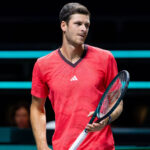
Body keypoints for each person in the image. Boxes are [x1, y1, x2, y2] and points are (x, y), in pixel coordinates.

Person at [30, 2, 123, 150]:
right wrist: (41, 144)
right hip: (64, 146)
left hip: (101, 147)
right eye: (78, 23)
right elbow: (37, 108)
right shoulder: (43, 65)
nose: (83, 29)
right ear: (63, 26)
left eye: (87, 25)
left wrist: (107, 119)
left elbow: (117, 103)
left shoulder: (106, 58)